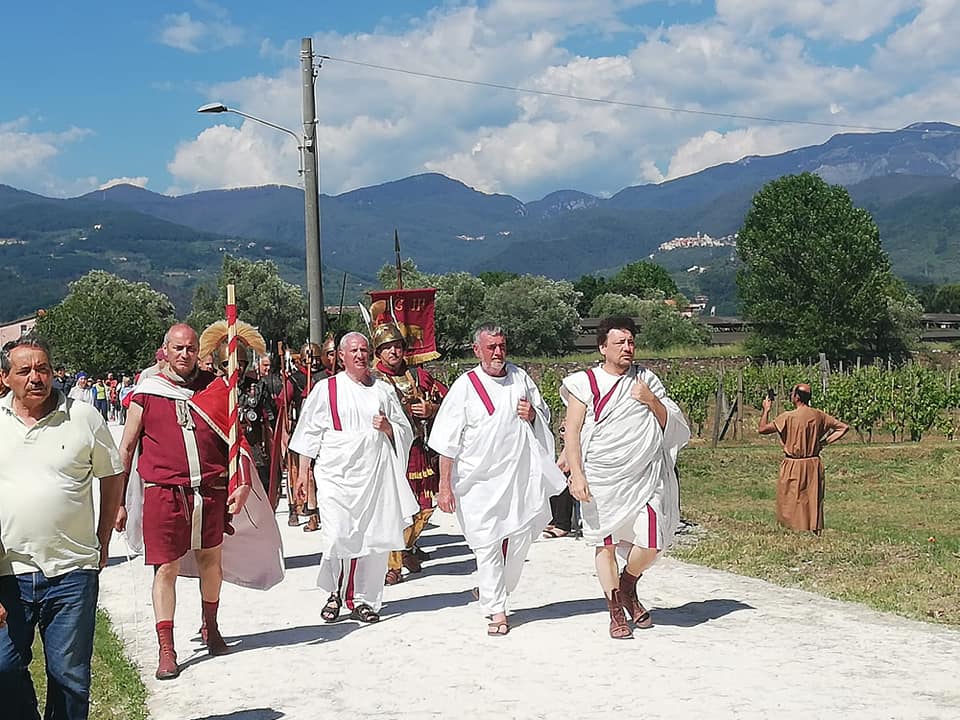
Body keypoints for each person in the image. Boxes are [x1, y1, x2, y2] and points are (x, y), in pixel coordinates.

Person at [116, 322, 282, 681]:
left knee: (211, 562)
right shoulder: (147, 391)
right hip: (164, 493)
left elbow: (236, 441)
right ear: (165, 350)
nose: (184, 354)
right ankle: (167, 647)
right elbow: (126, 448)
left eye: (190, 348)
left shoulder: (216, 389)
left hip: (209, 491)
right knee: (166, 568)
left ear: (198, 352)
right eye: (178, 348)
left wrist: (241, 482)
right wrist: (119, 500)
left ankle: (211, 625)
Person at [0, 337, 125, 719]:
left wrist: (103, 539)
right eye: (24, 371)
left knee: (69, 675)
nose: (36, 377)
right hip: (8, 571)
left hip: (72, 570)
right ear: (5, 378)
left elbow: (112, 475)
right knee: (3, 668)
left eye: (43, 369)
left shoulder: (83, 417)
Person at [429, 324, 566, 636]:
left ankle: (494, 590)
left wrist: (533, 415)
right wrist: (444, 486)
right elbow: (447, 442)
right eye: (491, 347)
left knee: (519, 542)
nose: (498, 352)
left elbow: (543, 415)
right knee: (488, 544)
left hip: (518, 480)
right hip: (477, 484)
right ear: (477, 350)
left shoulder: (520, 378)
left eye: (502, 346)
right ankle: (497, 610)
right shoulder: (465, 386)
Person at [561, 317, 691, 639]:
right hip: (601, 477)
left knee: (652, 542)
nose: (627, 348)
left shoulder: (646, 379)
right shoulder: (584, 383)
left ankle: (628, 583)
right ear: (603, 348)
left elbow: (671, 423)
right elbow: (573, 433)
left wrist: (650, 399)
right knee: (604, 545)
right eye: (620, 343)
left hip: (644, 476)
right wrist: (577, 476)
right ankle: (616, 611)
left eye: (631, 342)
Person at [288, 332, 417, 624]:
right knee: (337, 535)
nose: (360, 355)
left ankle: (364, 600)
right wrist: (303, 473)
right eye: (354, 350)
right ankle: (334, 592)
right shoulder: (326, 389)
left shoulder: (382, 390)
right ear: (342, 356)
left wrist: (388, 428)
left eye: (364, 350)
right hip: (336, 474)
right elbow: (308, 432)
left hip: (375, 475)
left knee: (373, 538)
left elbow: (405, 430)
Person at [371, 322, 448, 585]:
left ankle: (406, 547)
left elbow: (448, 401)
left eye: (397, 346)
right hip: (388, 451)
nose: (393, 351)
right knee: (395, 507)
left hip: (417, 448)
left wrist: (431, 409)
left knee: (425, 506)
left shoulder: (418, 375)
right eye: (387, 347)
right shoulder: (372, 381)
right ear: (378, 352)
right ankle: (392, 564)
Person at [758, 383, 849, 534]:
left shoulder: (788, 417)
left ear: (797, 397)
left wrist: (766, 410)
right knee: (812, 498)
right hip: (813, 463)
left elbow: (762, 429)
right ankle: (813, 529)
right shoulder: (819, 415)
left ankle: (791, 530)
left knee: (789, 500)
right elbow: (843, 427)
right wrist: (823, 443)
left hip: (793, 463)